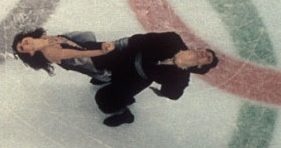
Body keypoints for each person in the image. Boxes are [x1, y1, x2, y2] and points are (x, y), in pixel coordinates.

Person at [12, 29, 218, 128]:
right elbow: (139, 40)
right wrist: (115, 45)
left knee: (105, 100)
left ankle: (125, 113)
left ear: (200, 66)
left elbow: (173, 94)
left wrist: (173, 78)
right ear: (199, 48)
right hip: (128, 56)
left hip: (137, 78)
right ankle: (104, 76)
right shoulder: (172, 40)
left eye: (206, 59)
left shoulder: (181, 78)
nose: (203, 55)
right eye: (206, 52)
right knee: (100, 61)